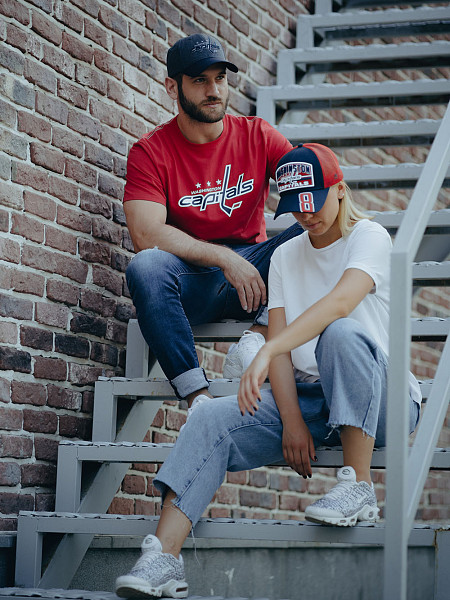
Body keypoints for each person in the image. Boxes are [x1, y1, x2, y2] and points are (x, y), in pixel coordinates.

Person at [115, 143, 421, 599]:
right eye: (297, 206)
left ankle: (359, 487)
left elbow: (340, 304)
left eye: (315, 202)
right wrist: (291, 419)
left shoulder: (369, 236)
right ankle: (164, 559)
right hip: (314, 401)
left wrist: (268, 347)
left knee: (339, 332)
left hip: (383, 399)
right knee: (209, 418)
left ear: (340, 190)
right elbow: (280, 350)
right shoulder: (285, 256)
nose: (307, 215)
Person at [123, 33, 303, 409]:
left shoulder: (258, 135)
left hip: (257, 279)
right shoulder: (150, 151)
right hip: (195, 281)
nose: (213, 90)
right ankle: (197, 399)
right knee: (145, 265)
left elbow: (312, 192)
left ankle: (256, 338)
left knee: (313, 229)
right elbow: (145, 233)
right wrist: (225, 258)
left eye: (220, 78)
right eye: (200, 80)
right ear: (172, 87)